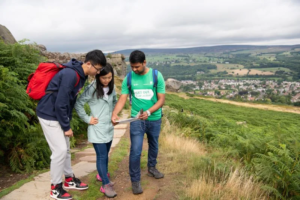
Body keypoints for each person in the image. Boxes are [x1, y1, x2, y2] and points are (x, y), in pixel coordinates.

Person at [36, 50, 106, 200]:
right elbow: (61, 103)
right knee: (60, 151)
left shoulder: (82, 75)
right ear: (88, 63)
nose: (99, 72)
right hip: (48, 114)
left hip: (58, 114)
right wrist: (66, 127)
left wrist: (67, 122)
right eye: (98, 69)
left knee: (66, 149)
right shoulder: (70, 75)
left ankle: (68, 179)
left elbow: (70, 100)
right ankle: (55, 187)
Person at [111, 50, 165, 195]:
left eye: (137, 67)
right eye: (132, 67)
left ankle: (152, 168)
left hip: (154, 119)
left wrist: (149, 112)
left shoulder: (156, 76)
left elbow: (161, 99)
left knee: (154, 144)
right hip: (136, 119)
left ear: (144, 63)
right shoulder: (128, 78)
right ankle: (135, 181)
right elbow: (123, 98)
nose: (134, 70)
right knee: (135, 150)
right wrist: (115, 113)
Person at [75, 63, 117, 198]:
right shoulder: (92, 88)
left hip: (109, 128)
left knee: (106, 154)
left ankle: (102, 174)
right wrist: (88, 119)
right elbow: (79, 103)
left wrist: (114, 114)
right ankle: (105, 184)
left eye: (109, 77)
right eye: (104, 78)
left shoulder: (112, 87)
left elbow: (115, 102)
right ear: (98, 76)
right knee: (102, 156)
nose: (107, 80)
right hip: (97, 128)